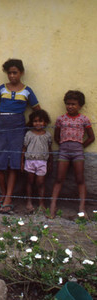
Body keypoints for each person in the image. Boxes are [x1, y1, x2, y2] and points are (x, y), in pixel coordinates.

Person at [0, 59, 40, 214]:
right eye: (9, 73)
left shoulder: (27, 91)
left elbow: (37, 110)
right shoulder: (2, 88)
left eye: (15, 72)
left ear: (21, 72)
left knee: (14, 162)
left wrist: (26, 125)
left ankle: (8, 198)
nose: (12, 76)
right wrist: (2, 122)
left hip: (18, 127)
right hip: (2, 126)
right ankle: (4, 193)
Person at [50, 90, 94, 219]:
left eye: (74, 104)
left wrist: (80, 147)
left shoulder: (84, 119)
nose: (70, 106)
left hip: (78, 152)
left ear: (80, 105)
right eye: (68, 104)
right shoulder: (61, 119)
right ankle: (52, 206)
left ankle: (82, 209)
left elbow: (91, 137)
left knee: (80, 179)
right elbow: (56, 137)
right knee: (59, 179)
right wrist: (64, 146)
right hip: (63, 151)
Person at [21, 109, 52, 213]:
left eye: (40, 121)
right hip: (30, 161)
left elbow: (50, 149)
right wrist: (22, 162)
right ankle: (29, 201)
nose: (37, 123)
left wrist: (50, 163)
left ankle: (41, 203)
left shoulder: (47, 135)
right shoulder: (29, 134)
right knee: (29, 181)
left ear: (45, 122)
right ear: (32, 122)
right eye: (35, 121)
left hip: (42, 162)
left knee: (40, 182)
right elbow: (24, 148)